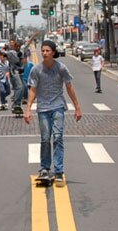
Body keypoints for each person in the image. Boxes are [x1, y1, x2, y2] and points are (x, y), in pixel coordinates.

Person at [24, 40, 82, 182]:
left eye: (47, 51)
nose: (44, 53)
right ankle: (44, 168)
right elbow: (33, 90)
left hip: (57, 107)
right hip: (43, 108)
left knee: (57, 137)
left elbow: (69, 87)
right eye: (43, 51)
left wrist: (77, 107)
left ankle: (58, 170)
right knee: (45, 138)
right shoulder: (36, 70)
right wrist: (28, 109)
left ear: (53, 52)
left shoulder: (61, 68)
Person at [4, 39, 25, 113]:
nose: (18, 47)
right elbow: (3, 54)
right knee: (19, 87)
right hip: (14, 73)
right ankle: (15, 104)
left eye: (19, 46)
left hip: (21, 72)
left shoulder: (20, 53)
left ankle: (18, 104)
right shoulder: (11, 52)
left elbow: (22, 61)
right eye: (17, 46)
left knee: (22, 88)